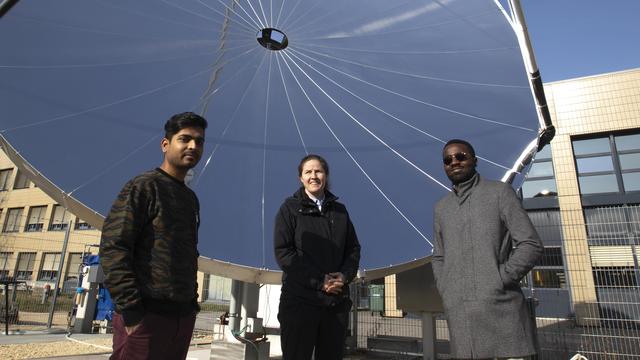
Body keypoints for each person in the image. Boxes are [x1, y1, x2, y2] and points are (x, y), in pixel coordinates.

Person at [100, 112, 207, 360]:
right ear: (165, 144)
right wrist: (132, 311)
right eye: (185, 139)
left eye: (199, 141)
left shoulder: (190, 199)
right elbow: (114, 247)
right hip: (146, 316)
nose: (193, 146)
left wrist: (191, 304)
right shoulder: (144, 186)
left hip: (181, 316)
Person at [432, 139, 543, 360]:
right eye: (448, 160)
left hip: (503, 313)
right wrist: (447, 288)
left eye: (460, 156)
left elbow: (530, 244)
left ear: (475, 160)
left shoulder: (500, 193)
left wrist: (499, 279)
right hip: (461, 319)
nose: (454, 162)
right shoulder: (442, 207)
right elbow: (439, 256)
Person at [274, 154, 361, 360]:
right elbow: (284, 252)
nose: (314, 176)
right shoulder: (290, 209)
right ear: (301, 178)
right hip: (300, 304)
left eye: (318, 171)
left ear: (326, 175)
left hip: (335, 304)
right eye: (308, 172)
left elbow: (353, 248)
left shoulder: (340, 211)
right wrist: (319, 281)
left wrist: (344, 276)